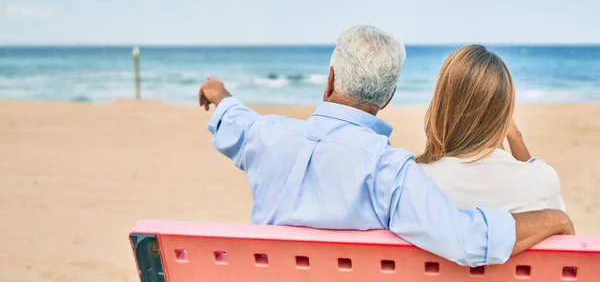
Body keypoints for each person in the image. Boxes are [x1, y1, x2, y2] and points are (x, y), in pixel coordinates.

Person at [198, 25, 574, 267]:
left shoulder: (266, 136)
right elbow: (464, 239)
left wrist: (221, 95)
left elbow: (237, 122)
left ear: (329, 80)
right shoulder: (390, 171)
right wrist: (553, 218)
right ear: (390, 96)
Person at [417, 44, 566, 212]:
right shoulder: (540, 182)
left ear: (441, 105)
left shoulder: (416, 181)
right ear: (504, 112)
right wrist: (515, 137)